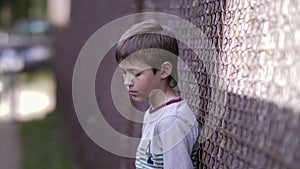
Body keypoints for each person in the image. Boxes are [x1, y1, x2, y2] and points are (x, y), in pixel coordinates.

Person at [115, 19, 199, 169]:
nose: (127, 82)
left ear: (164, 71)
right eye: (124, 73)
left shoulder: (171, 121)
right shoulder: (154, 113)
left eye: (136, 73)